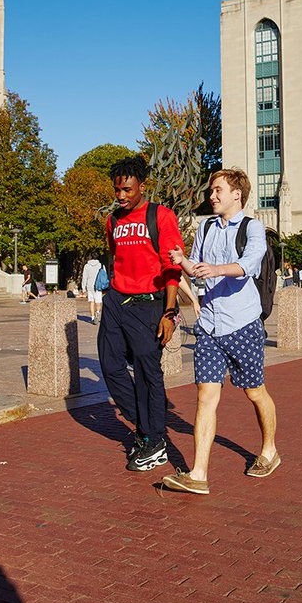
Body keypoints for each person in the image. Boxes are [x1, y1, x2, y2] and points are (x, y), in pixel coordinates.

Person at [164, 169, 279, 495]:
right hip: (211, 328)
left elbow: (249, 264)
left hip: (242, 325)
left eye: (218, 191)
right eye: (211, 191)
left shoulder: (251, 227)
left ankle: (269, 450)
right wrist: (181, 259)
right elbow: (197, 268)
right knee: (205, 396)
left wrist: (216, 269)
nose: (212, 196)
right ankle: (198, 474)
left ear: (236, 195)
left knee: (254, 392)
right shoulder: (206, 227)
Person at [97, 156, 183, 472]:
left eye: (127, 190)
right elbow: (115, 256)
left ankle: (154, 440)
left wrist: (170, 312)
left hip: (149, 306)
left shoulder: (160, 217)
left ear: (142, 187)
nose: (121, 196)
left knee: (149, 374)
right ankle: (144, 427)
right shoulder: (113, 221)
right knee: (110, 366)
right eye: (117, 190)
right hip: (116, 302)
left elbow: (172, 267)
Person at [81, 256, 105, 324]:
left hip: (90, 286)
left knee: (91, 302)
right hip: (98, 286)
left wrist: (83, 288)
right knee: (98, 302)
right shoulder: (101, 265)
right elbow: (104, 274)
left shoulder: (86, 266)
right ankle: (97, 312)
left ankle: (92, 317)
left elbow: (84, 277)